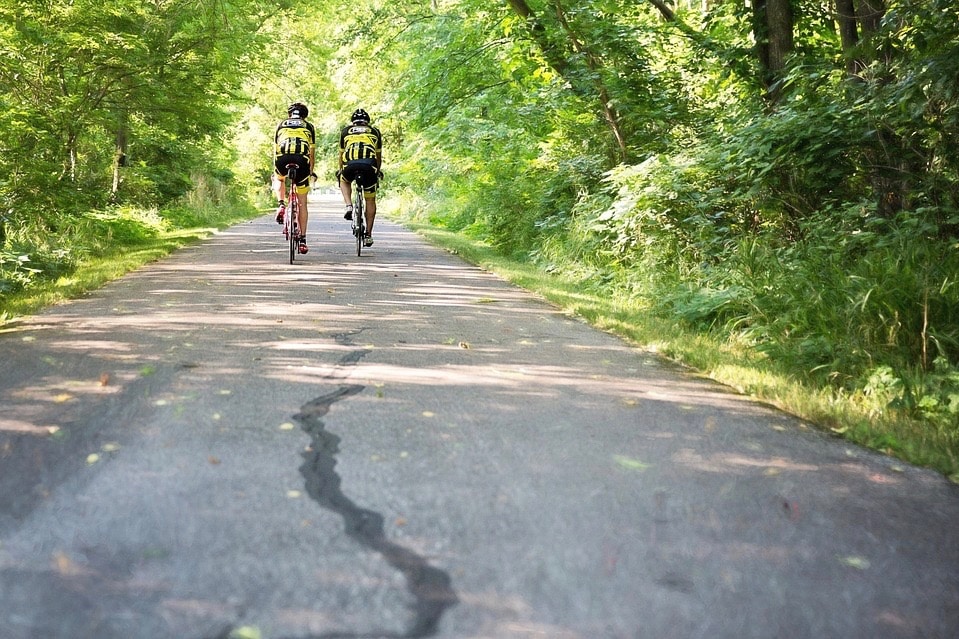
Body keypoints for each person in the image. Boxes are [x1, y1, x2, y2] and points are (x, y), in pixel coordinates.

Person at [273, 102, 316, 254]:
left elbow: (276, 148)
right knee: (302, 204)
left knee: (279, 178)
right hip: (302, 162)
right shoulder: (308, 126)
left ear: (290, 114)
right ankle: (303, 239)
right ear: (304, 115)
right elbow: (311, 153)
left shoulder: (281, 124)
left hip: (282, 159)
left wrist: (276, 167)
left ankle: (281, 205)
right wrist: (311, 171)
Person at [338, 108, 382, 247]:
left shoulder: (345, 132)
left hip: (350, 166)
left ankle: (349, 206)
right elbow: (378, 156)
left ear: (353, 122)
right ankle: (368, 235)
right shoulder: (374, 132)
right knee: (370, 199)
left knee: (344, 180)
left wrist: (340, 170)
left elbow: (341, 155)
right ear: (367, 122)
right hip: (369, 167)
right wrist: (377, 171)